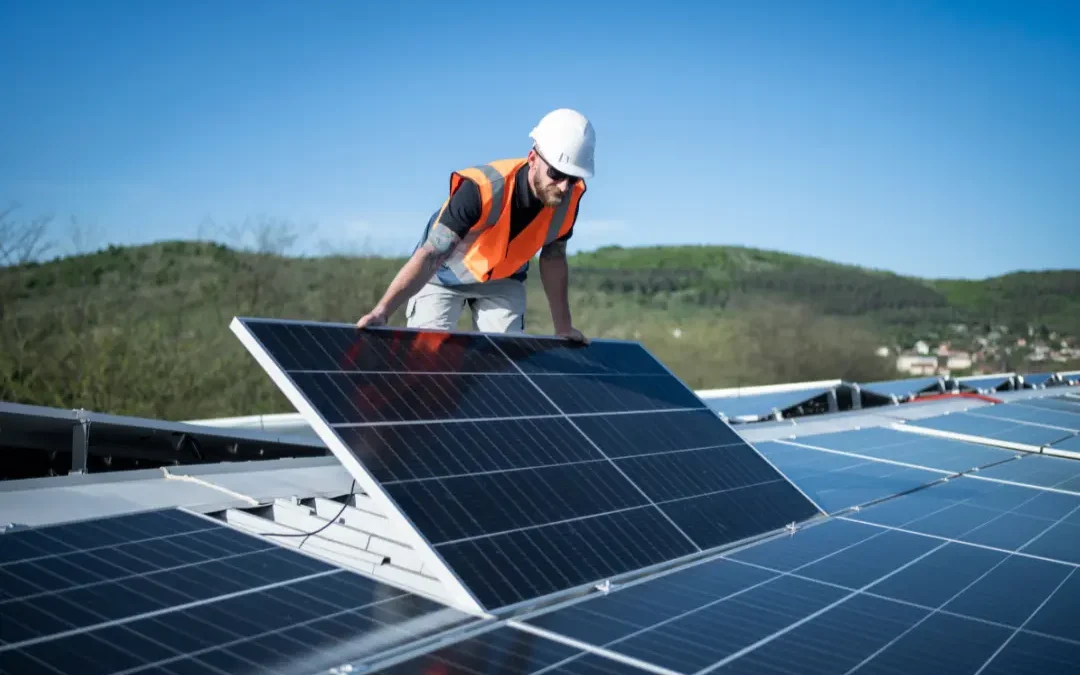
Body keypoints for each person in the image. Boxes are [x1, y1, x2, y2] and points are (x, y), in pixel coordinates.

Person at [355, 108, 595, 342]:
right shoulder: (481, 189)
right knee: (426, 359)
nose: (564, 186)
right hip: (443, 276)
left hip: (503, 279)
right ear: (532, 159)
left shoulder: (567, 201)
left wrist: (563, 327)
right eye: (555, 173)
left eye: (573, 178)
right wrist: (382, 311)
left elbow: (553, 259)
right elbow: (430, 255)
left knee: (506, 361)